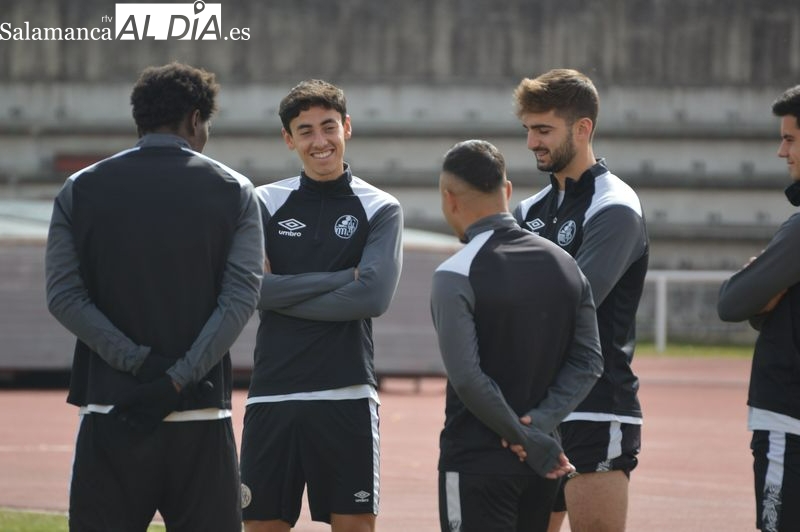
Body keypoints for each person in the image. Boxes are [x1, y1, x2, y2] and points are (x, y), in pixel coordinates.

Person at [44, 62, 264, 531]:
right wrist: (178, 379)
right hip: (202, 413)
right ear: (194, 120)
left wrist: (140, 363)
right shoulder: (234, 190)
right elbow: (240, 300)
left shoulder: (81, 188)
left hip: (112, 412)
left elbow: (64, 297)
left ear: (139, 120)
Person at [239, 79, 403, 532]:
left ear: (347, 127)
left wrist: (281, 293)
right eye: (305, 130)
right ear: (289, 139)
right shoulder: (262, 203)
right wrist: (341, 279)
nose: (320, 141)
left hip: (345, 392)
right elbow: (251, 291)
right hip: (273, 392)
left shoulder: (381, 207)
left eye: (328, 127)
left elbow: (372, 297)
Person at [430, 139, 603, 532]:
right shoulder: (566, 265)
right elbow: (589, 361)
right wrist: (539, 427)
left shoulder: (455, 274)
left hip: (476, 462)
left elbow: (468, 378)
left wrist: (520, 434)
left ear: (449, 199)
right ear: (506, 192)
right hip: (541, 465)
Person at [511, 69, 649, 532]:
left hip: (595, 403)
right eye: (528, 129)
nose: (532, 142)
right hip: (535, 410)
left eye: (543, 129)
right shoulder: (527, 211)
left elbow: (574, 303)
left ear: (582, 128)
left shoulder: (614, 206)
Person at [718, 85, 800, 532]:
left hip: (789, 417)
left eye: (790, 138)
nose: (780, 151)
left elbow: (732, 301)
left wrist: (760, 298)